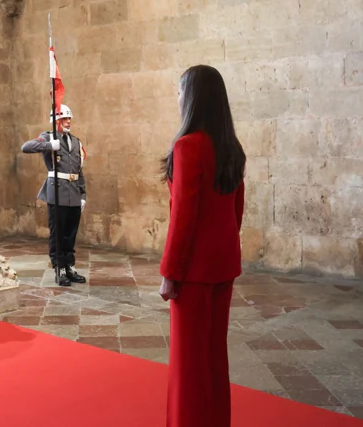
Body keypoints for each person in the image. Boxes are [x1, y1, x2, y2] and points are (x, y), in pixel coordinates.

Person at [158, 65, 246, 427]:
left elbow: (183, 218)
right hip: (222, 266)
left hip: (192, 273)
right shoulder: (231, 148)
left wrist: (169, 273)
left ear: (192, 98)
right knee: (213, 361)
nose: (177, 100)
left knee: (187, 366)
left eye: (180, 93)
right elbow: (236, 211)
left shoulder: (187, 145)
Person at [21, 105, 87, 287]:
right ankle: (59, 269)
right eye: (64, 119)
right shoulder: (48, 137)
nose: (68, 122)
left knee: (70, 234)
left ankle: (70, 267)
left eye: (69, 119)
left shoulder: (76, 142)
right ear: (56, 121)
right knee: (57, 233)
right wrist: (49, 145)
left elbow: (79, 170)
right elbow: (26, 147)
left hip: (73, 192)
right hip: (57, 191)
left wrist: (83, 194)